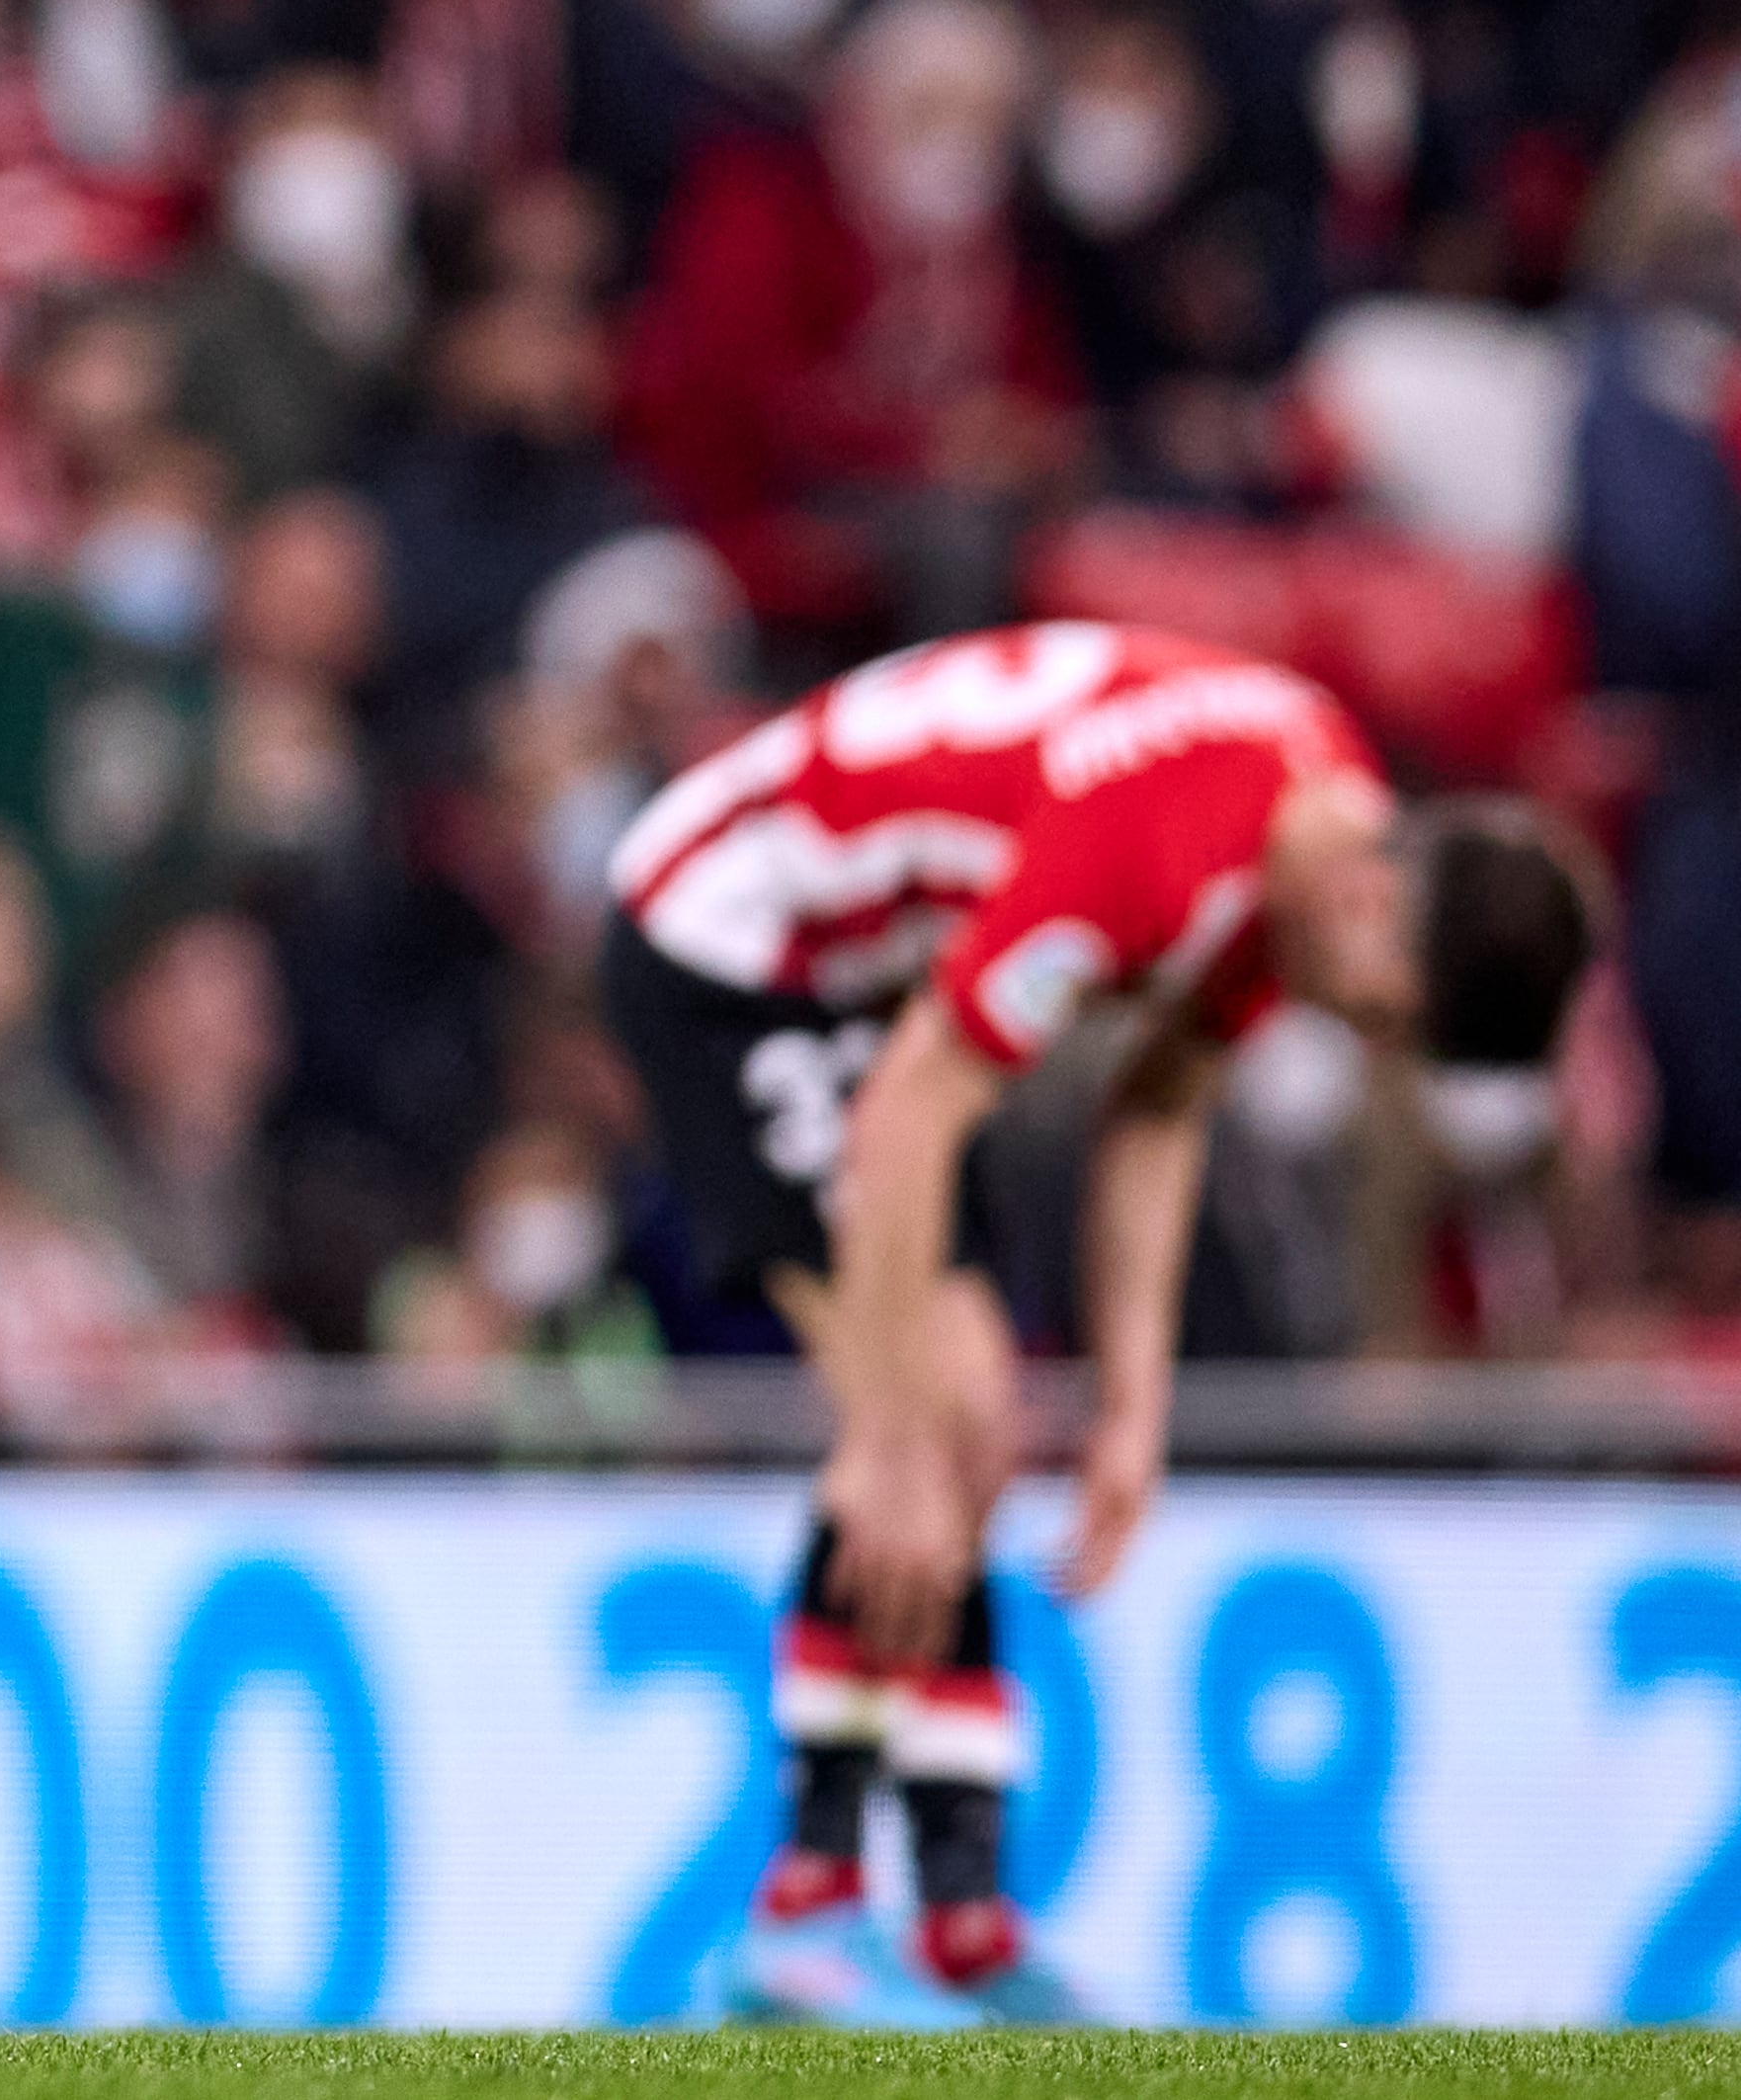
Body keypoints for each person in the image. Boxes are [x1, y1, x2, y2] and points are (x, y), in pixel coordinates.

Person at [600, 620, 1591, 2027]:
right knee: (929, 1430)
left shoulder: (1306, 826)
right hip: (730, 944)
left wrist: (1134, 1407)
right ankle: (803, 1914)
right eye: (1376, 1015)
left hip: (865, 984)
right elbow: (911, 1110)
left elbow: (1163, 1102)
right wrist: (878, 1431)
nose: (1356, 1037)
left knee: (981, 1425)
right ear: (1375, 902)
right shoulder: (1162, 849)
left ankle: (958, 1920)